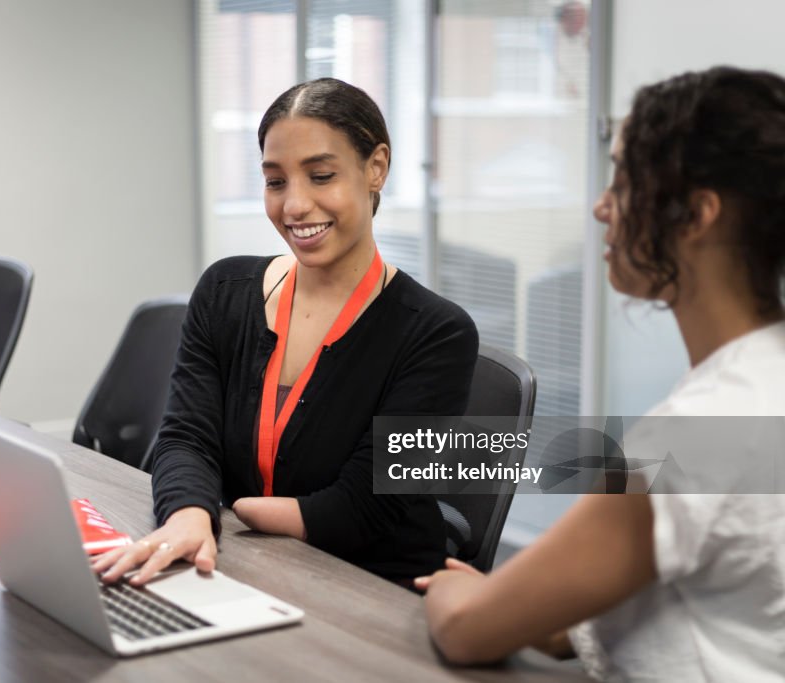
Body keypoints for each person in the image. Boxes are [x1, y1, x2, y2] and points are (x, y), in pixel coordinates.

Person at [415, 66, 785, 681]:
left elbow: (463, 632)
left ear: (697, 215)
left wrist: (458, 596)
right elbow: (725, 594)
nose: (600, 206)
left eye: (624, 178)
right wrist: (539, 612)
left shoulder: (697, 435)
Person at [92, 78, 478, 585]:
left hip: (372, 591)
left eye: (321, 176)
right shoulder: (224, 291)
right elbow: (187, 437)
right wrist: (189, 514)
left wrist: (236, 511)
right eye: (276, 182)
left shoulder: (437, 333)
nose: (294, 206)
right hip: (244, 565)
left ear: (376, 168)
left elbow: (357, 510)